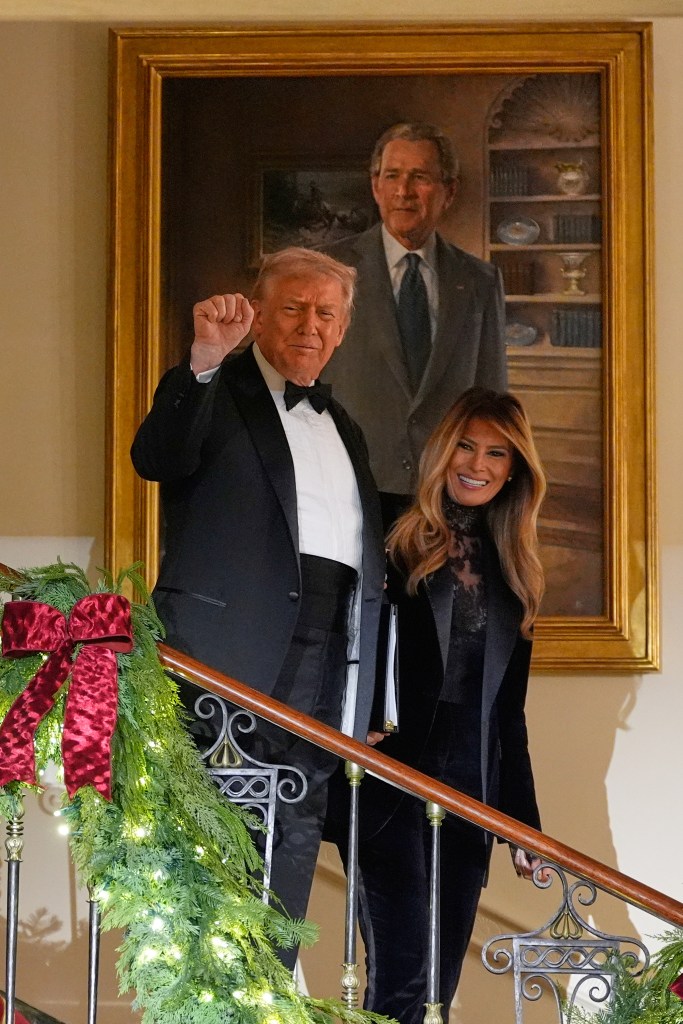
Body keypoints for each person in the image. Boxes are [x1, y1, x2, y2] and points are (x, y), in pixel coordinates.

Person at [131, 247, 385, 969]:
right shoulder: (215, 388)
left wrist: (364, 692)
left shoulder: (347, 429)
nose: (310, 325)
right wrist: (204, 359)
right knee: (210, 840)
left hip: (326, 658)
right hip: (224, 653)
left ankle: (267, 990)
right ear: (260, 313)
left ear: (341, 329)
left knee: (294, 827)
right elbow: (157, 457)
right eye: (293, 308)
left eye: (325, 313)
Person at [345, 386, 547, 1024]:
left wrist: (523, 823)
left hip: (470, 796)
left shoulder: (516, 573)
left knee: (437, 988)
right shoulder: (388, 530)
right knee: (401, 979)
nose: (477, 464)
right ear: (441, 449)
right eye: (466, 445)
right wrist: (351, 722)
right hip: (391, 782)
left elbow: (506, 715)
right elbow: (340, 633)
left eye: (496, 453)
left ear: (514, 469)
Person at [321, 122, 507, 528]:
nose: (403, 191)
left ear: (449, 191)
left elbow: (493, 402)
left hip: (447, 494)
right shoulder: (327, 271)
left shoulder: (480, 281)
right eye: (392, 176)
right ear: (375, 186)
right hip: (345, 492)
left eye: (419, 177)